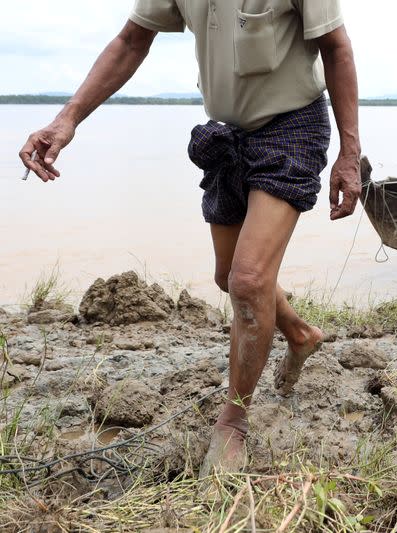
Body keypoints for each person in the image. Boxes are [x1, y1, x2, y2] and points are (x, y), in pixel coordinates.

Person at [18, 1, 361, 476]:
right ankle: (301, 334)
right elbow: (130, 40)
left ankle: (233, 423)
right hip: (226, 135)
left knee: (247, 279)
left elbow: (337, 49)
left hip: (292, 128)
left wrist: (350, 151)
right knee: (228, 277)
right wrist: (67, 118)